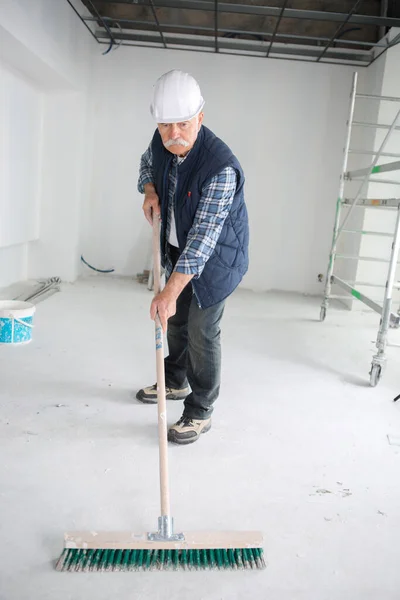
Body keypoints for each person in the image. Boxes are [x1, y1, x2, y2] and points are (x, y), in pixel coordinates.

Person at [136, 70, 249, 445]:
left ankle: (201, 410)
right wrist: (150, 191)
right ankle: (174, 381)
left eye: (183, 123)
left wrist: (167, 292)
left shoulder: (220, 168)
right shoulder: (162, 138)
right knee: (178, 321)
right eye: (165, 125)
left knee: (201, 330)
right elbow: (148, 163)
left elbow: (202, 241)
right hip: (177, 247)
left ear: (200, 117)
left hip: (216, 259)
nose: (173, 134)